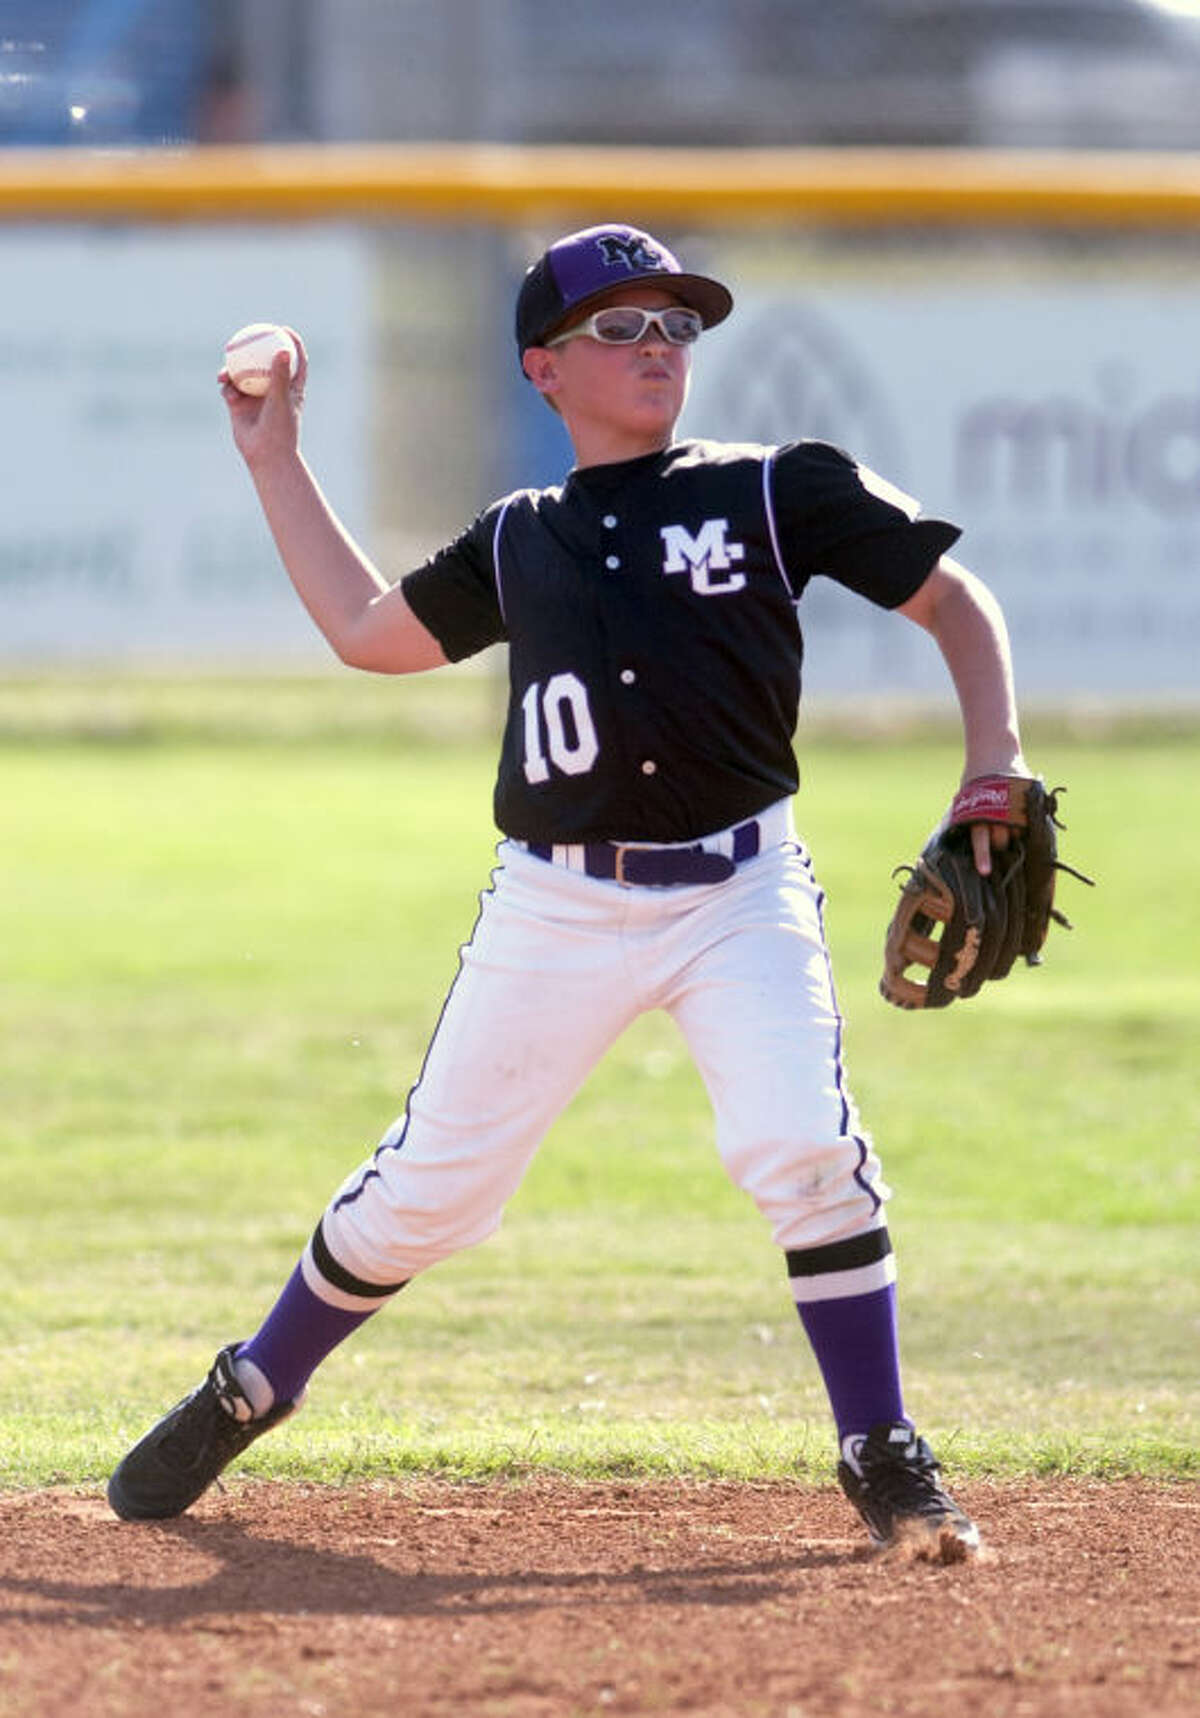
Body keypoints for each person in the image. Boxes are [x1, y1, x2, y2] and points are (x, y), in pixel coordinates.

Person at [109, 223, 1030, 1559]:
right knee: (426, 1194)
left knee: (807, 1150)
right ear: (543, 369)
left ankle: (880, 1445)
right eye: (620, 326)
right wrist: (275, 456)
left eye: (675, 325)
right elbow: (370, 634)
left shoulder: (775, 489)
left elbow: (956, 603)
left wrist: (991, 765)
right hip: (556, 905)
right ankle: (252, 1381)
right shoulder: (522, 536)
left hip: (739, 893)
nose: (657, 346)